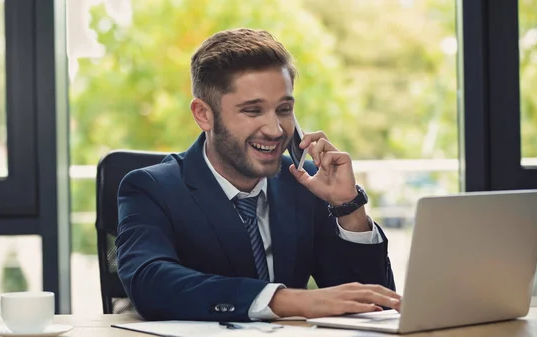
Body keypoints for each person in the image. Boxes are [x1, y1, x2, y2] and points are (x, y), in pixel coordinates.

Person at [116, 28, 400, 322]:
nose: (275, 130)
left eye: (284, 109)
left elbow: (376, 304)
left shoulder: (305, 183)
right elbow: (150, 282)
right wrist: (284, 300)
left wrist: (348, 207)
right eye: (253, 111)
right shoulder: (152, 188)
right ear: (203, 114)